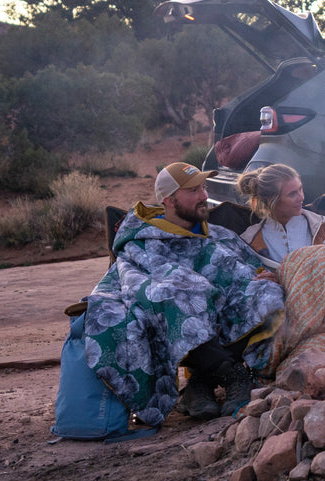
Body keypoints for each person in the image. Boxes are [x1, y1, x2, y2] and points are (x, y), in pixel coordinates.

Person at [83, 163, 285, 425]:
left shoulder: (216, 233)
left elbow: (243, 264)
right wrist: (192, 283)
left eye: (203, 187)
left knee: (266, 292)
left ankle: (200, 382)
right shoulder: (142, 241)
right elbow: (143, 278)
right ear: (169, 200)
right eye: (193, 190)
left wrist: (265, 274)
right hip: (175, 301)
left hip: (218, 301)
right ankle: (233, 375)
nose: (203, 196)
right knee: (178, 295)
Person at [237, 163, 325, 268]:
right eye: (292, 194)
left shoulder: (322, 226)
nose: (301, 197)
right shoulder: (250, 240)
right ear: (271, 200)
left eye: (300, 189)